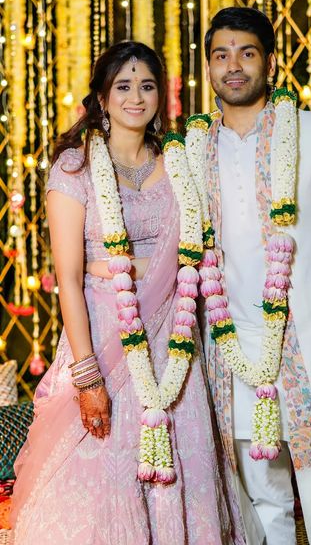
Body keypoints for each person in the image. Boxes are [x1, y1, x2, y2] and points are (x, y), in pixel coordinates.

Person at [10, 41, 245, 545]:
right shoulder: (74, 170)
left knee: (181, 474)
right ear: (101, 96)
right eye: (123, 86)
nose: (136, 97)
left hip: (173, 347)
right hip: (104, 334)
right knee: (106, 477)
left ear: (161, 94)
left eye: (147, 85)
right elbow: (69, 280)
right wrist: (88, 374)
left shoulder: (180, 164)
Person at [189, 7, 311, 545]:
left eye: (247, 52)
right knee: (258, 496)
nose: (234, 66)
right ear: (208, 69)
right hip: (231, 349)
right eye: (221, 55)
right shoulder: (193, 151)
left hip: (310, 344)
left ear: (270, 60)